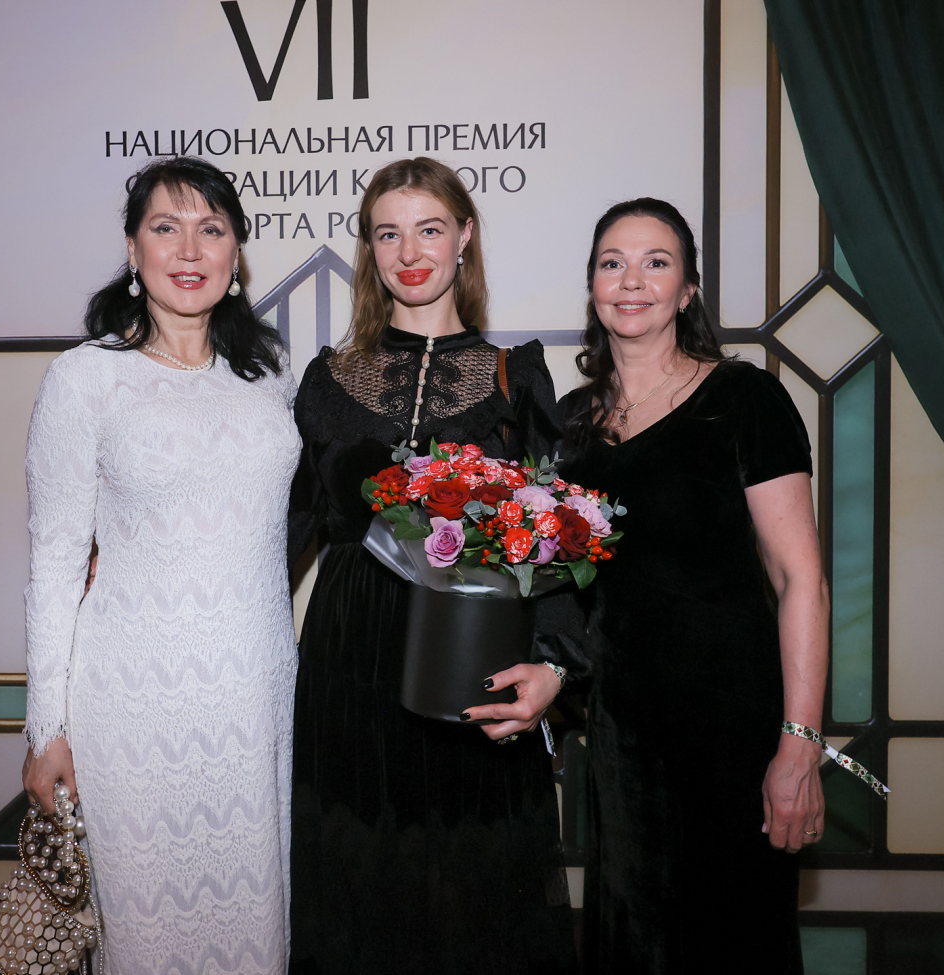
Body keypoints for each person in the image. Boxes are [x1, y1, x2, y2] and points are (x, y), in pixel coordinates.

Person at [286, 157, 577, 975]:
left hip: (470, 664)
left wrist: (555, 665)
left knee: (473, 892)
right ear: (369, 248)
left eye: (429, 229)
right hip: (349, 666)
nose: (409, 252)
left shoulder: (517, 376)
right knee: (356, 881)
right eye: (388, 234)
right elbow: (283, 531)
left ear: (465, 236)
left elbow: (556, 544)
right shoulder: (327, 379)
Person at [20, 157, 300, 975]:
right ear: (132, 249)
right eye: (165, 228)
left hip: (253, 691)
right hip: (133, 702)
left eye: (211, 229)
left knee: (254, 919)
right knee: (146, 929)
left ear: (236, 251)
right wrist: (45, 726)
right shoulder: (85, 379)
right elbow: (55, 559)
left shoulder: (269, 376)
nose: (189, 249)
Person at [556, 198, 828, 972]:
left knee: (732, 943)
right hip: (620, 735)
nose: (631, 280)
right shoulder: (573, 425)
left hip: (731, 729)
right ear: (592, 287)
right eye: (612, 263)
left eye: (656, 263)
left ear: (687, 290)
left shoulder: (745, 399)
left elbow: (800, 578)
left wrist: (799, 746)